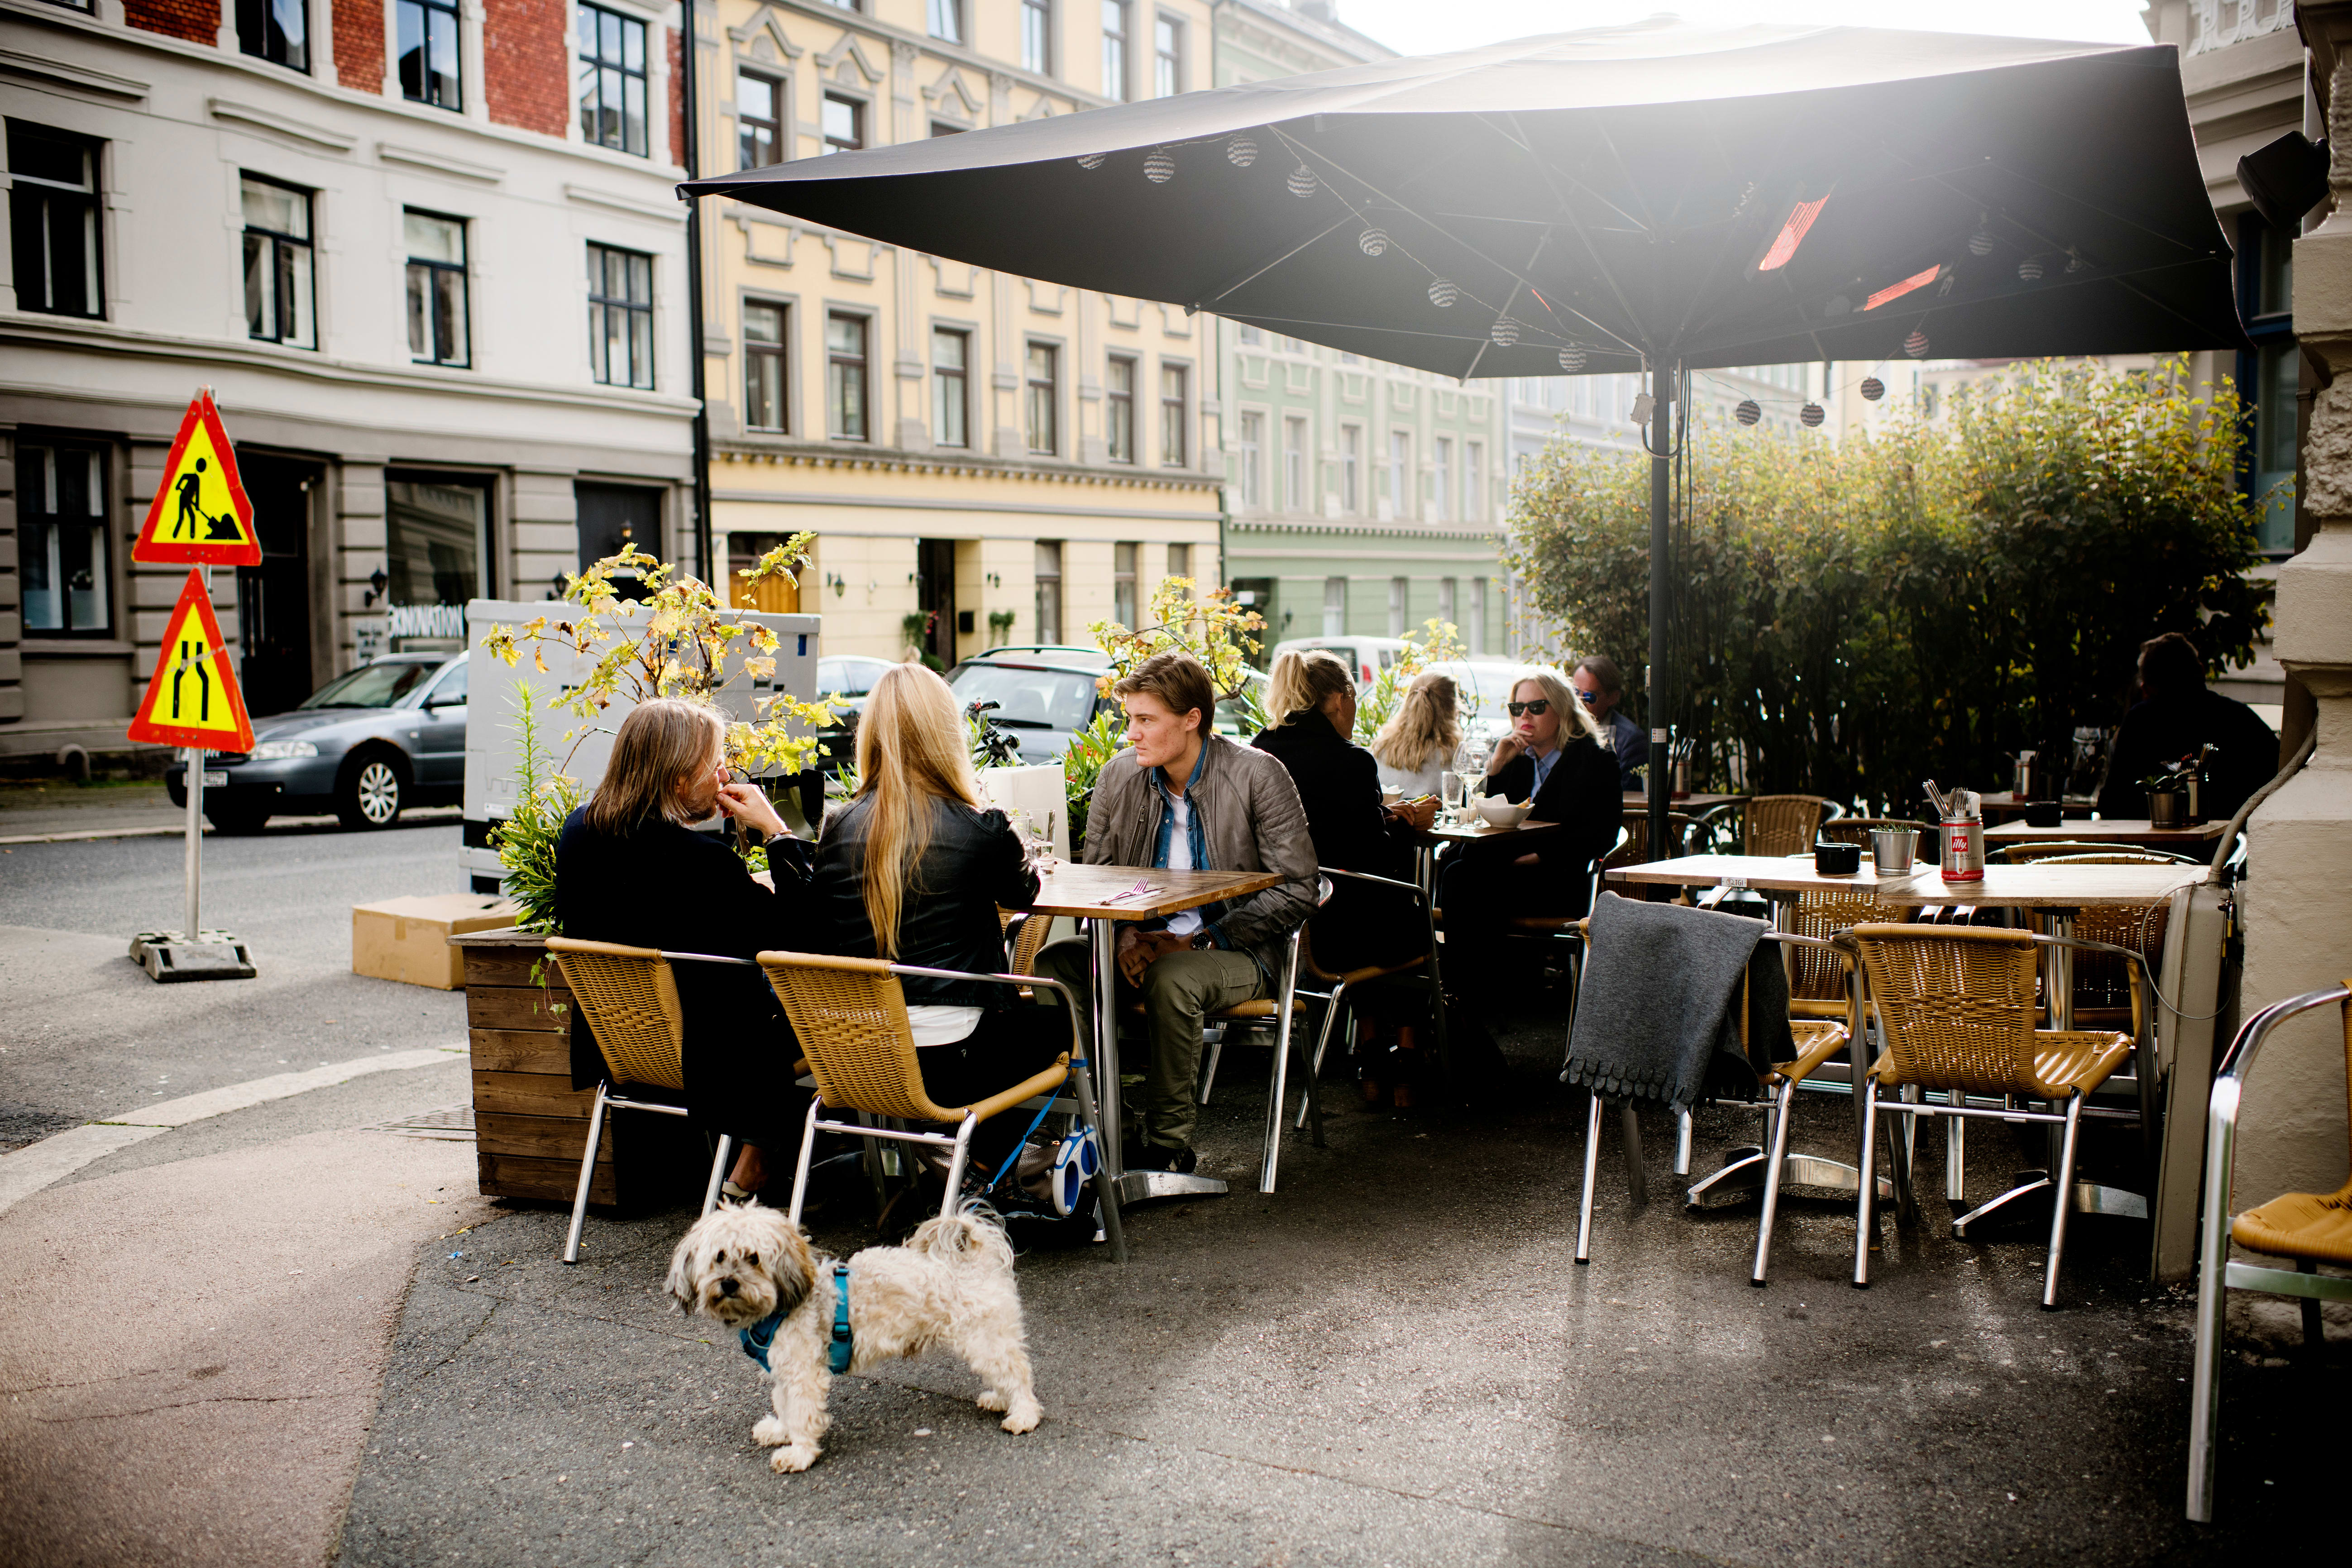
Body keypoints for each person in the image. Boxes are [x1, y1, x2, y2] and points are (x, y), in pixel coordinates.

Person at [1033, 650, 1317, 1172]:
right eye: (1129, 719)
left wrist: (1203, 940)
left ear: (1193, 719)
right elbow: (1098, 880)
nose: (1131, 733)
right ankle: (1103, 1128)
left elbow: (1300, 887)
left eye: (1146, 720)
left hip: (1241, 948)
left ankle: (1167, 1147)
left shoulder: (1258, 775)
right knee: (1055, 968)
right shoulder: (1118, 777)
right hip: (1141, 943)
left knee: (1173, 976)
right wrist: (1122, 941)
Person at [811, 663, 1065, 1193]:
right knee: (1059, 1019)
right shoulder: (982, 828)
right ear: (946, 734)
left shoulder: (837, 827)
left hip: (860, 1051)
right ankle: (983, 1168)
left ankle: (958, 1168)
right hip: (958, 1058)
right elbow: (1026, 895)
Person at [555, 697, 819, 1200]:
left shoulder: (578, 832)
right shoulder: (701, 864)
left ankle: (760, 1149)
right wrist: (776, 831)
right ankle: (759, 1154)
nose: (724, 774)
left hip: (622, 1042)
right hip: (710, 1054)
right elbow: (799, 935)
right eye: (714, 762)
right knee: (811, 996)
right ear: (678, 781)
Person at [1254, 649, 1439, 1103]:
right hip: (1336, 931)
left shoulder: (1259, 749)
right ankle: (1407, 1056)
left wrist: (1379, 815)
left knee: (1370, 909)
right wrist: (1400, 824)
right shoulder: (1350, 760)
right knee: (1410, 915)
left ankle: (1372, 1046)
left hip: (1277, 924)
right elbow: (1372, 854)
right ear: (1340, 698)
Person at [1439, 669, 1623, 1030]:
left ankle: (1463, 1002)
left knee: (1460, 876)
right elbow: (1477, 818)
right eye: (1517, 708)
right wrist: (1496, 764)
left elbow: (1600, 834)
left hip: (1560, 880)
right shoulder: (1518, 760)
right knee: (1457, 868)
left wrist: (1537, 857)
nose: (1524, 717)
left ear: (1562, 710)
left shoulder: (1594, 759)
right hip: (1505, 875)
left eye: (1536, 707)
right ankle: (1467, 1002)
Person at [2097, 631, 2281, 821]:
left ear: (2145, 689)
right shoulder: (2242, 718)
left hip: (2154, 847)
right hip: (2232, 845)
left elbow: (2111, 804)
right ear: (2201, 670)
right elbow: (2281, 781)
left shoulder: (2140, 721)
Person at [1370, 671, 1461, 801]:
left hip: (1386, 820)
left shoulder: (1381, 746)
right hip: (1430, 820)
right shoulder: (1452, 755)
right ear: (1451, 709)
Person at [1572, 654, 1645, 792]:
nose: (1579, 702)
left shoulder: (1630, 740)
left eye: (1589, 697)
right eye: (1575, 692)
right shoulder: (1561, 729)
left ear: (1613, 698)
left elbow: (1629, 796)